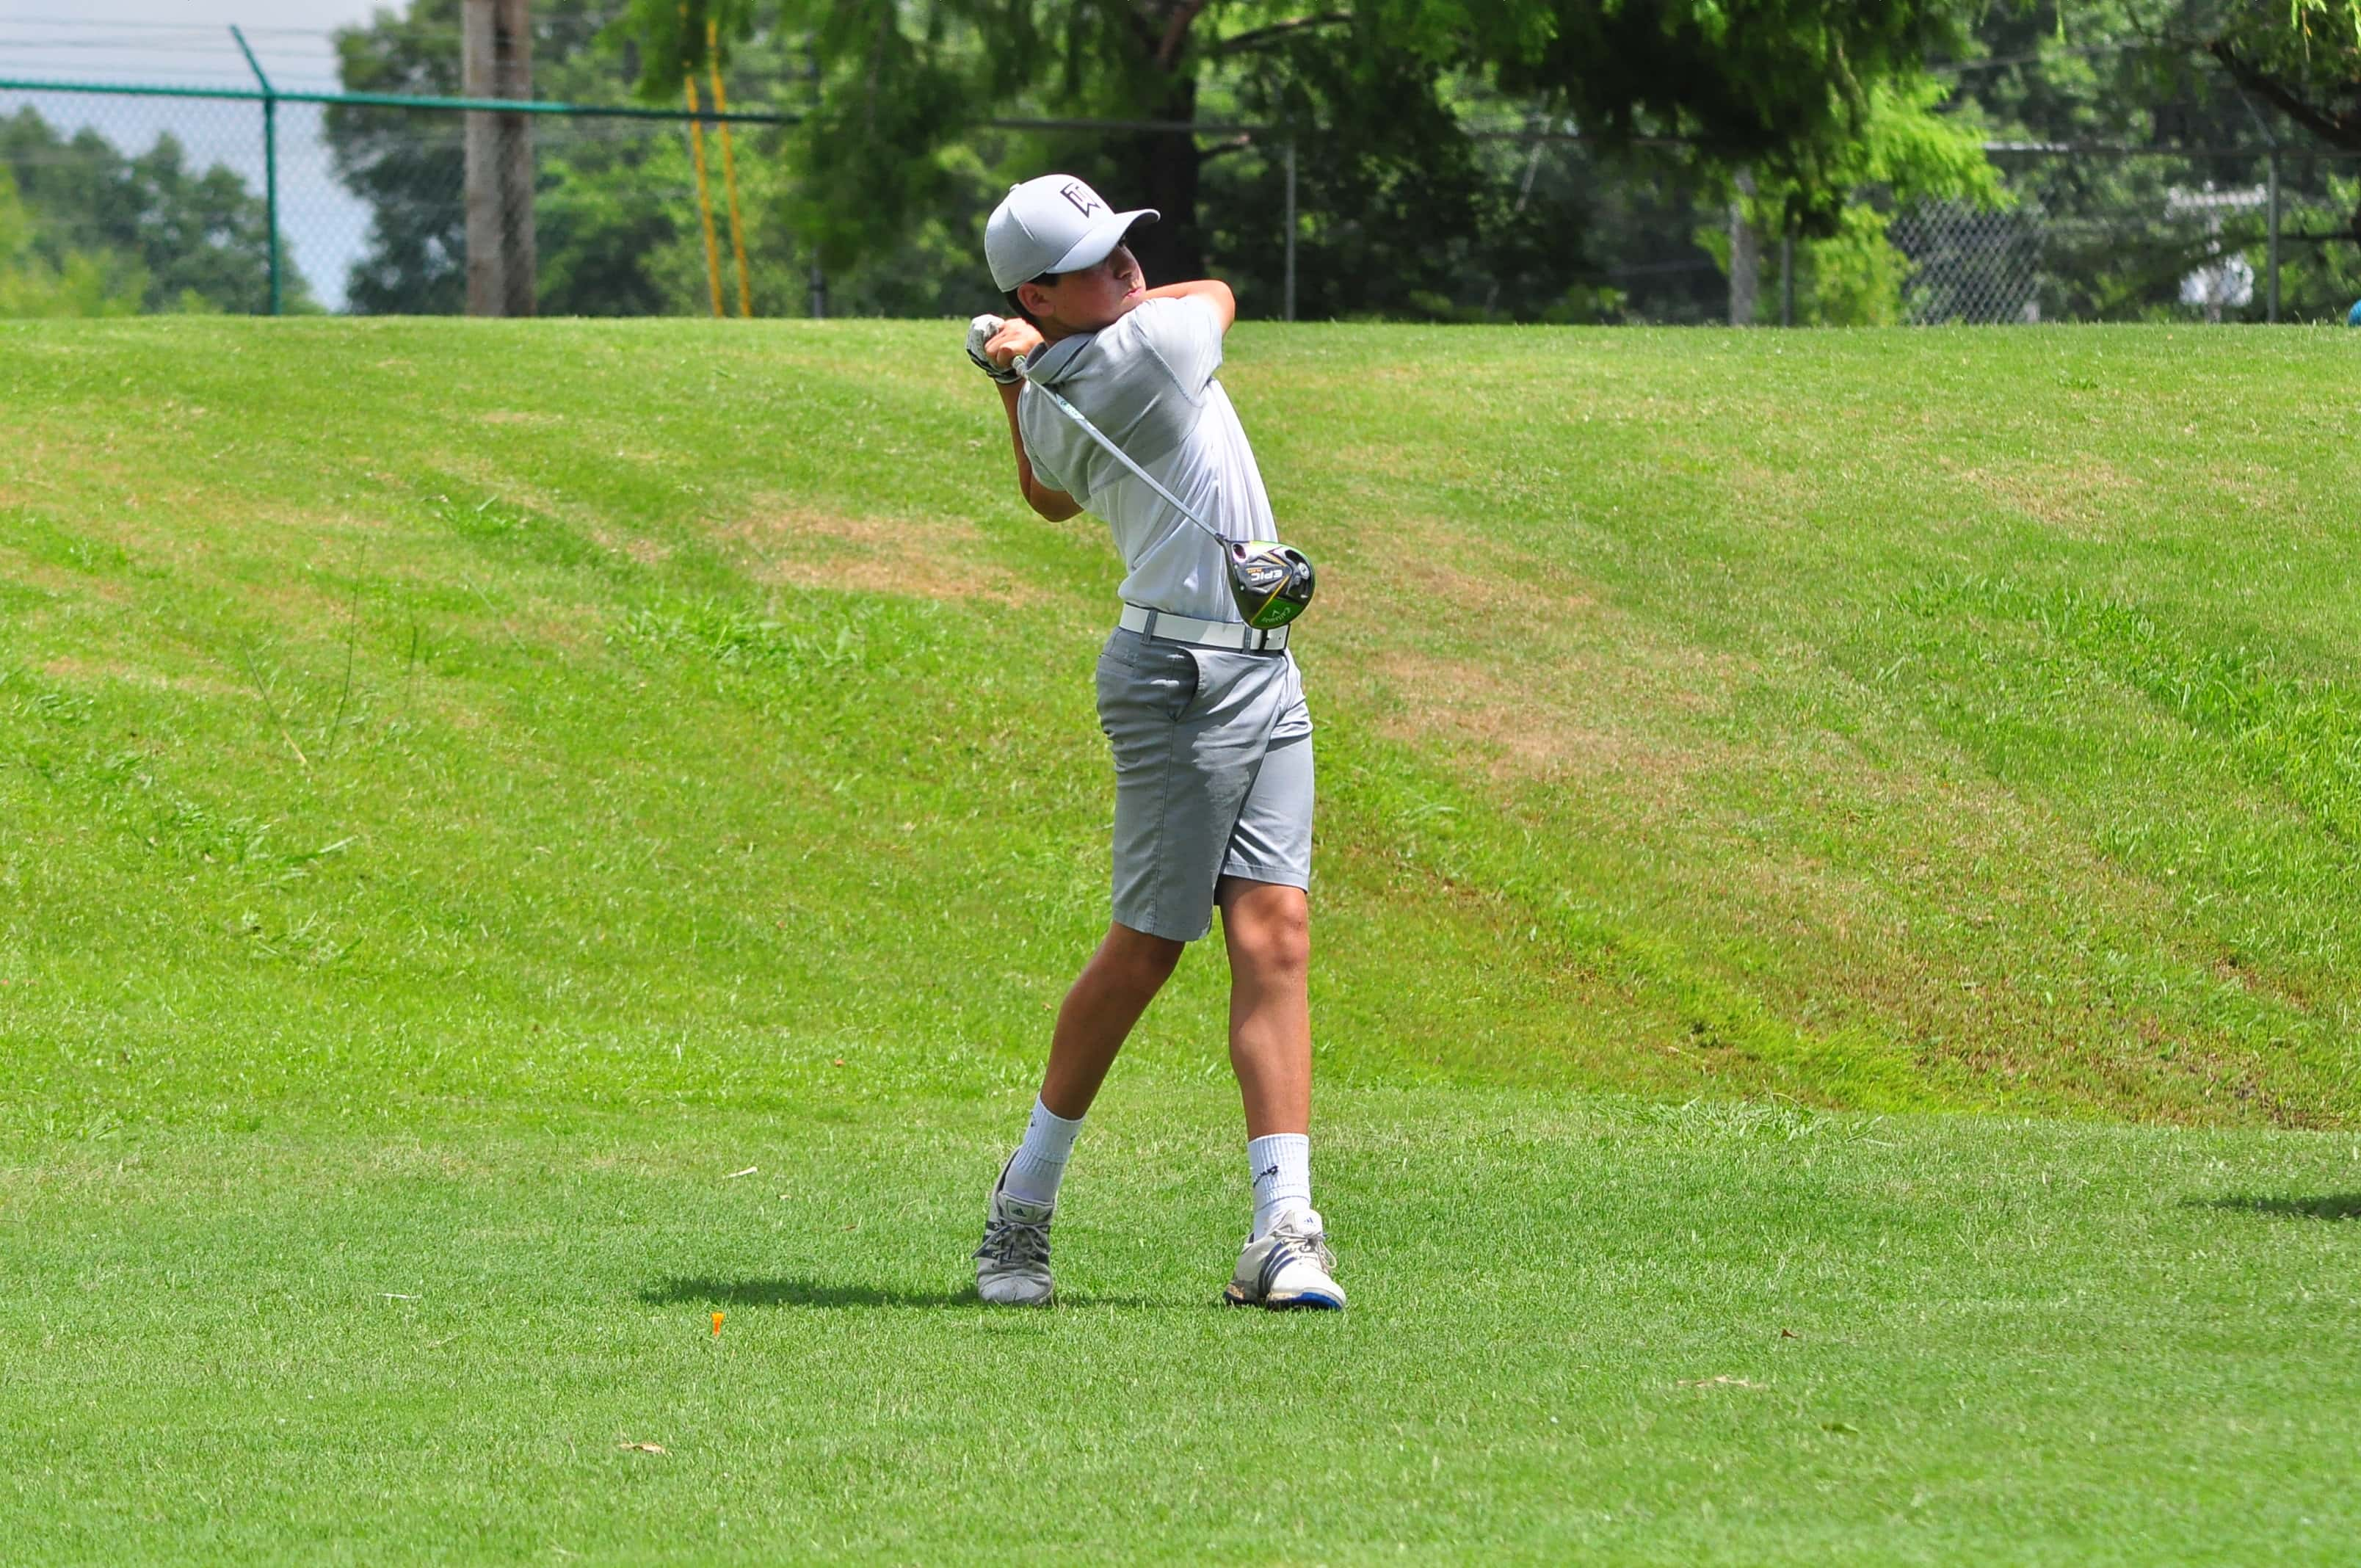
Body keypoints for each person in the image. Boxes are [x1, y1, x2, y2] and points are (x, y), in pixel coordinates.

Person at [960, 174, 1342, 1311]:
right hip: (1180, 678)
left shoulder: (1056, 385)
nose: (1129, 267)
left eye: (1129, 247)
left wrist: (1017, 367)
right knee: (1146, 951)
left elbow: (1045, 497)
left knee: (1276, 933)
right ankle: (1019, 1213)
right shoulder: (1156, 344)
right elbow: (1219, 292)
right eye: (1098, 261)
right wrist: (1040, 355)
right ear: (1037, 289)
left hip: (1260, 664)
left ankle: (1284, 1229)